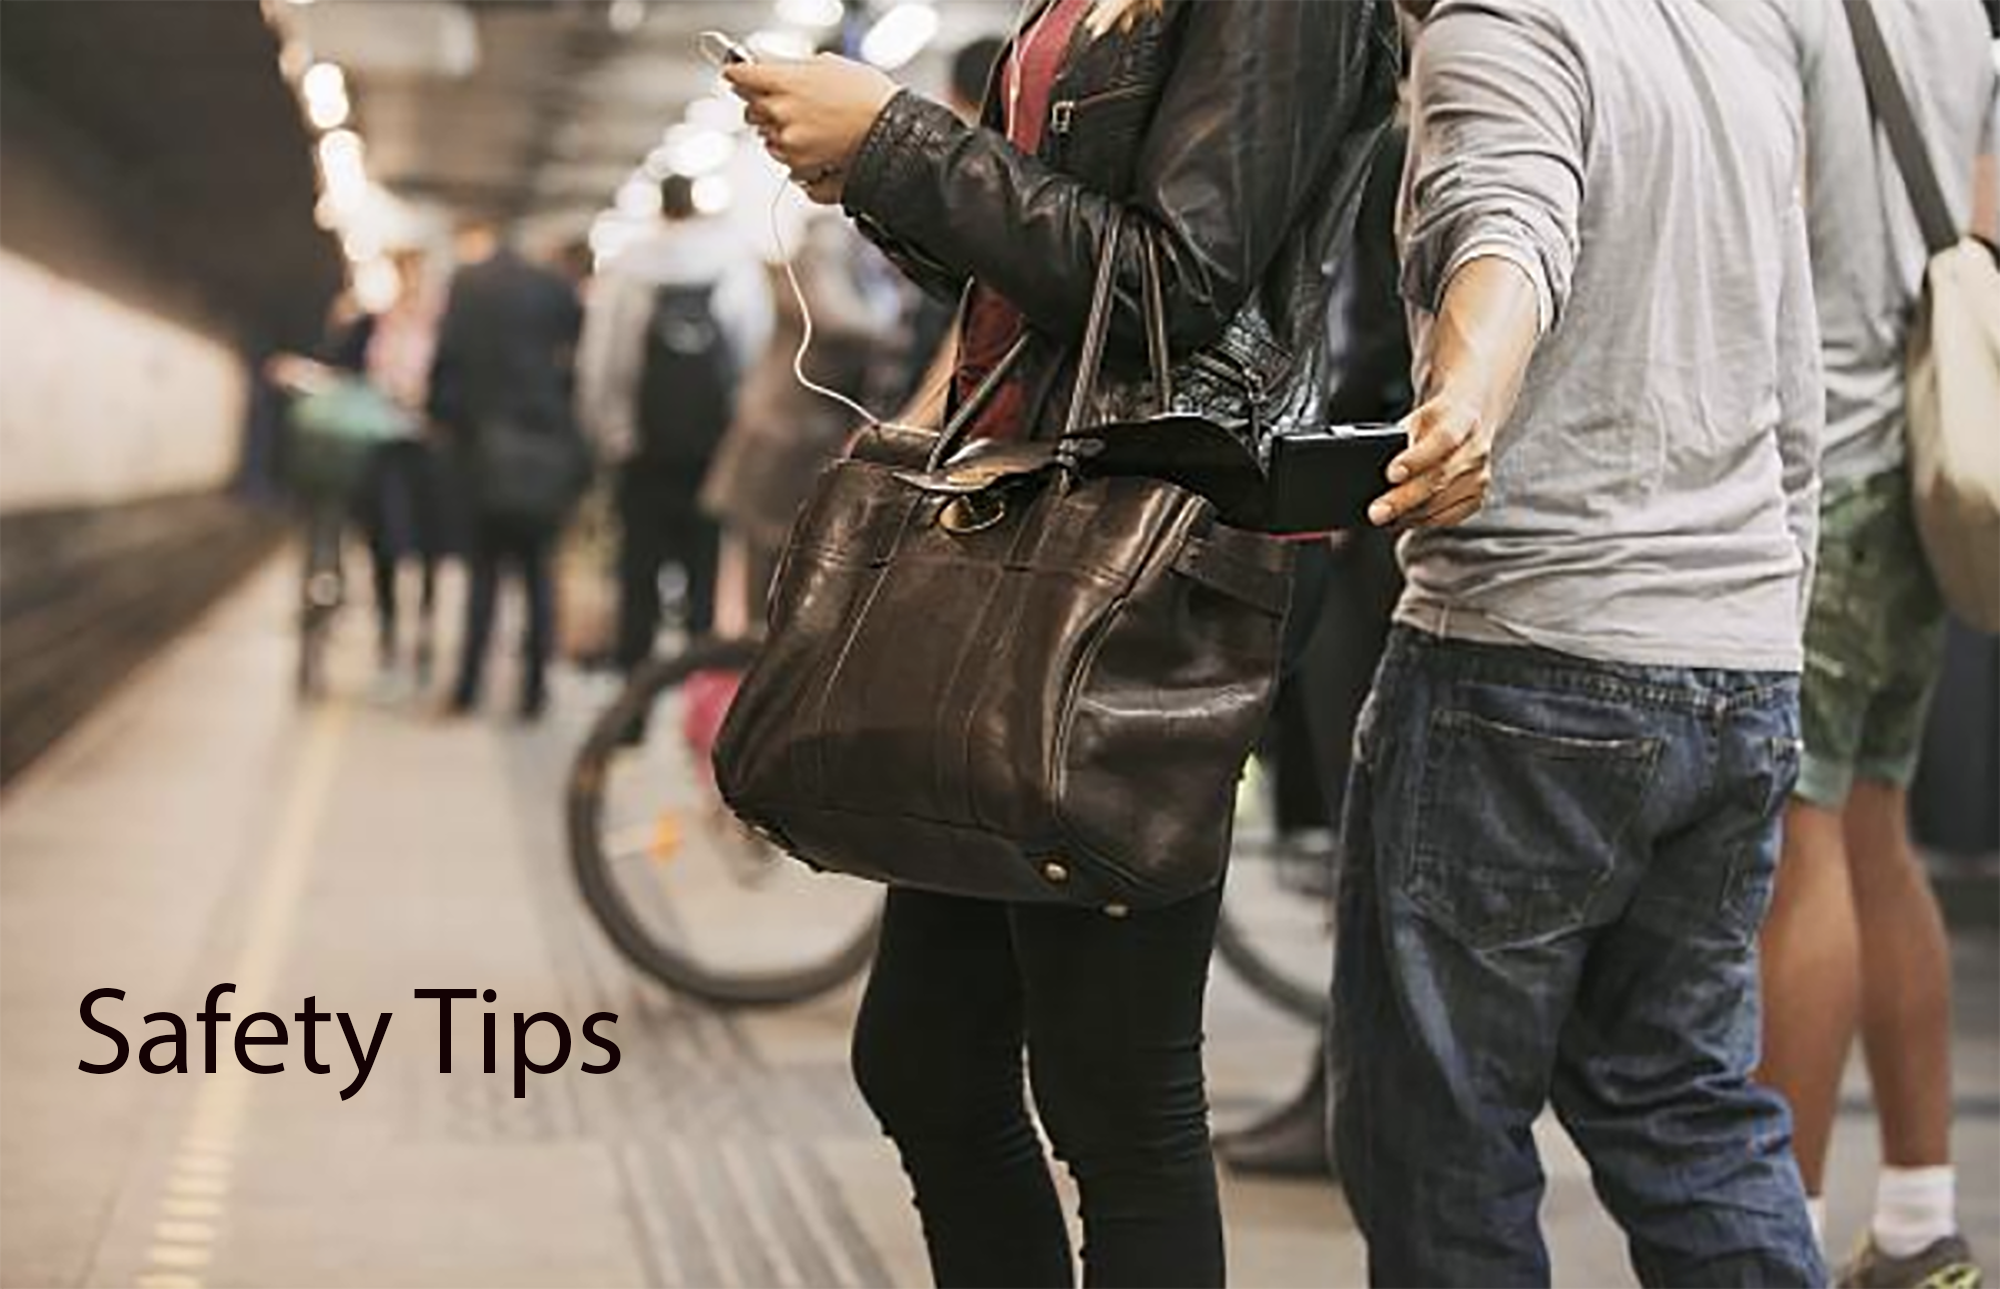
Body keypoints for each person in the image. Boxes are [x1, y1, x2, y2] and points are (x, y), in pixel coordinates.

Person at [723, 3, 1399, 1283]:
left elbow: (1176, 286)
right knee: (925, 1058)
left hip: (1147, 559)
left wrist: (896, 146)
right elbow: (1034, 267)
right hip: (1034, 525)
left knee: (1117, 1102)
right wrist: (875, 178)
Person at [1332, 1, 1827, 1284]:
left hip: (1526, 657)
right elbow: (1794, 402)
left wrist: (1463, 401)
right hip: (1735, 660)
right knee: (1689, 1109)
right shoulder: (1731, 45)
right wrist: (1760, 633)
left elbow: (1509, 225)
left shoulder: (1497, 30)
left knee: (1439, 1136)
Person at [1694, 2, 1998, 1284]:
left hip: (1817, 468)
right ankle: (1921, 1217)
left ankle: (1787, 1235)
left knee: (1797, 855)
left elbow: (1751, 228)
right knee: (1873, 831)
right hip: (1917, 455)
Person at [1214, 117, 1413, 1182]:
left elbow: (1375, 327)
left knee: (1367, 825)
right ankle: (1347, 1086)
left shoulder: (1398, 132)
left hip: (1374, 509)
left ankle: (1357, 1094)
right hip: (1374, 504)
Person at [577, 173, 768, 665]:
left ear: (660, 208)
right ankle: (695, 701)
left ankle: (633, 706)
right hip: (712, 451)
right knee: (704, 578)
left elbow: (601, 363)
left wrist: (606, 435)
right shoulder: (735, 267)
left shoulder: (627, 269)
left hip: (642, 450)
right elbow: (755, 356)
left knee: (637, 575)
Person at [427, 218, 584, 721]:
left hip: (482, 449)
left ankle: (468, 688)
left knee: (483, 575)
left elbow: (445, 366)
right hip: (544, 448)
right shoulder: (557, 289)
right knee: (538, 573)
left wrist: (446, 423)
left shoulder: (466, 284)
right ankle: (534, 693)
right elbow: (579, 365)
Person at [358, 248, 447, 684]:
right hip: (387, 443)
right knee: (385, 541)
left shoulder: (444, 329)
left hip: (428, 447)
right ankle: (388, 630)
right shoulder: (377, 323)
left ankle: (425, 627)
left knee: (429, 542)